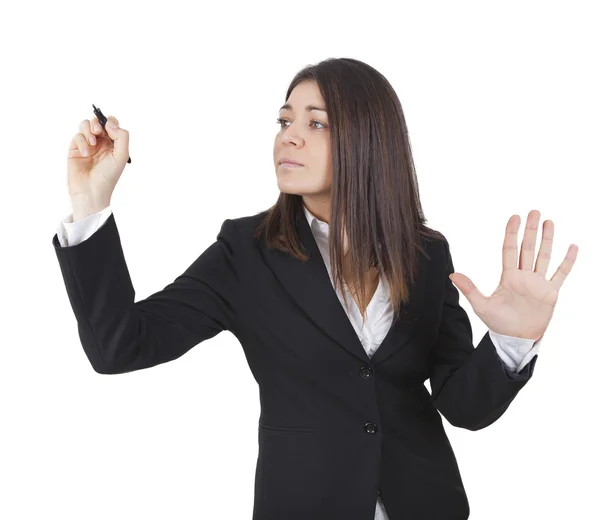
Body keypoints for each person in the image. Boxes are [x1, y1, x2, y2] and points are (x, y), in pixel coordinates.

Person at [52, 57, 578, 520]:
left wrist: (513, 339)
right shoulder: (245, 251)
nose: (289, 136)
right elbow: (120, 346)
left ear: (370, 139)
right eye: (284, 121)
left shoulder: (424, 253)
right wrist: (91, 203)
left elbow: (464, 406)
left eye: (316, 123)